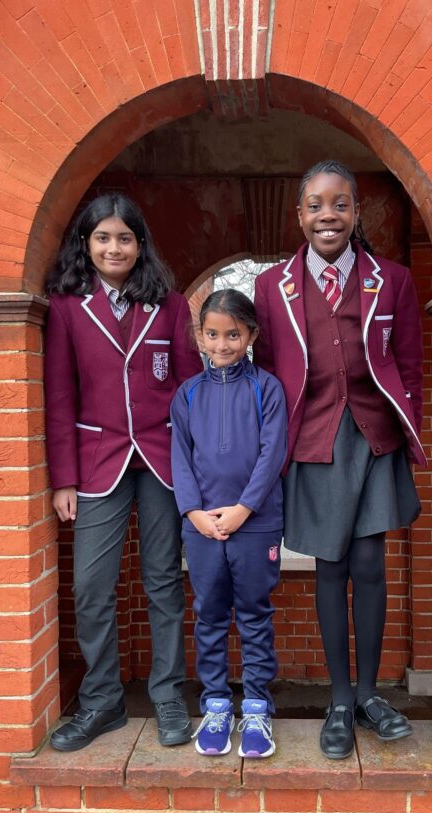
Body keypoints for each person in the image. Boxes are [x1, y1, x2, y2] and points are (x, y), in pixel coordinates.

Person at [253, 160, 426, 759]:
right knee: (330, 565)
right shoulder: (272, 286)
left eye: (341, 204)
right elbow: (273, 371)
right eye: (316, 205)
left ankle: (373, 696)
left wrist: (410, 429)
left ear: (356, 212)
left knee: (370, 562)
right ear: (300, 215)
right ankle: (339, 699)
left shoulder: (393, 280)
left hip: (374, 436)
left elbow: (409, 364)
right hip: (316, 439)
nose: (329, 215)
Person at [44, 193, 203, 752]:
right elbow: (60, 396)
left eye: (125, 238)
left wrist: (195, 467)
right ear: (86, 245)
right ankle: (102, 701)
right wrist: (63, 477)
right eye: (103, 238)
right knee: (91, 587)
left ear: (141, 245)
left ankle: (166, 698)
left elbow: (189, 394)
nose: (115, 248)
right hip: (96, 465)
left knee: (162, 582)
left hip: (161, 462)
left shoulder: (172, 305)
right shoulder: (66, 308)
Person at [170, 289, 287, 758]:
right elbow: (180, 456)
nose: (222, 344)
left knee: (255, 614)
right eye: (213, 334)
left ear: (250, 335)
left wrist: (243, 510)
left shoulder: (267, 387)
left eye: (233, 334)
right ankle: (216, 703)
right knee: (210, 614)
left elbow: (272, 453)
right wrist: (193, 511)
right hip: (201, 526)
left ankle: (256, 705)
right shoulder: (188, 393)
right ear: (200, 337)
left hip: (255, 523)